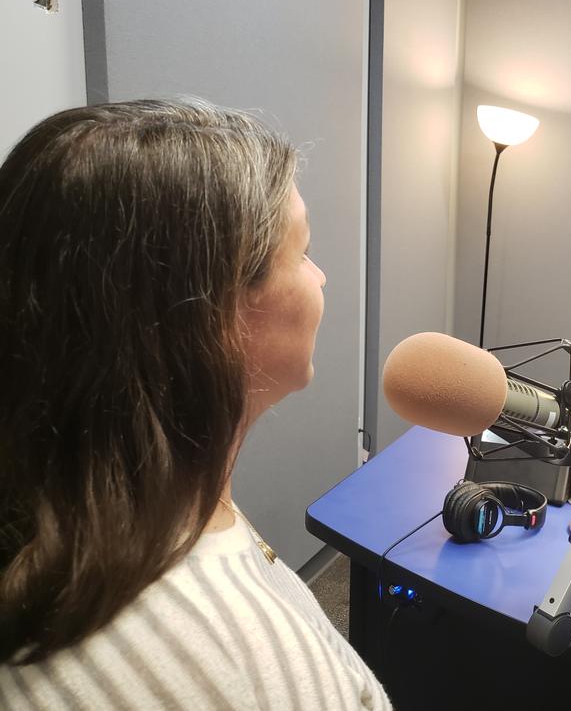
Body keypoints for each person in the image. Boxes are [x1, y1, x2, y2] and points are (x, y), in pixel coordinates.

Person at [0, 99, 392, 709]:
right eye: (304, 253)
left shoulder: (63, 523)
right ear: (211, 316)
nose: (321, 279)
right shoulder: (246, 662)